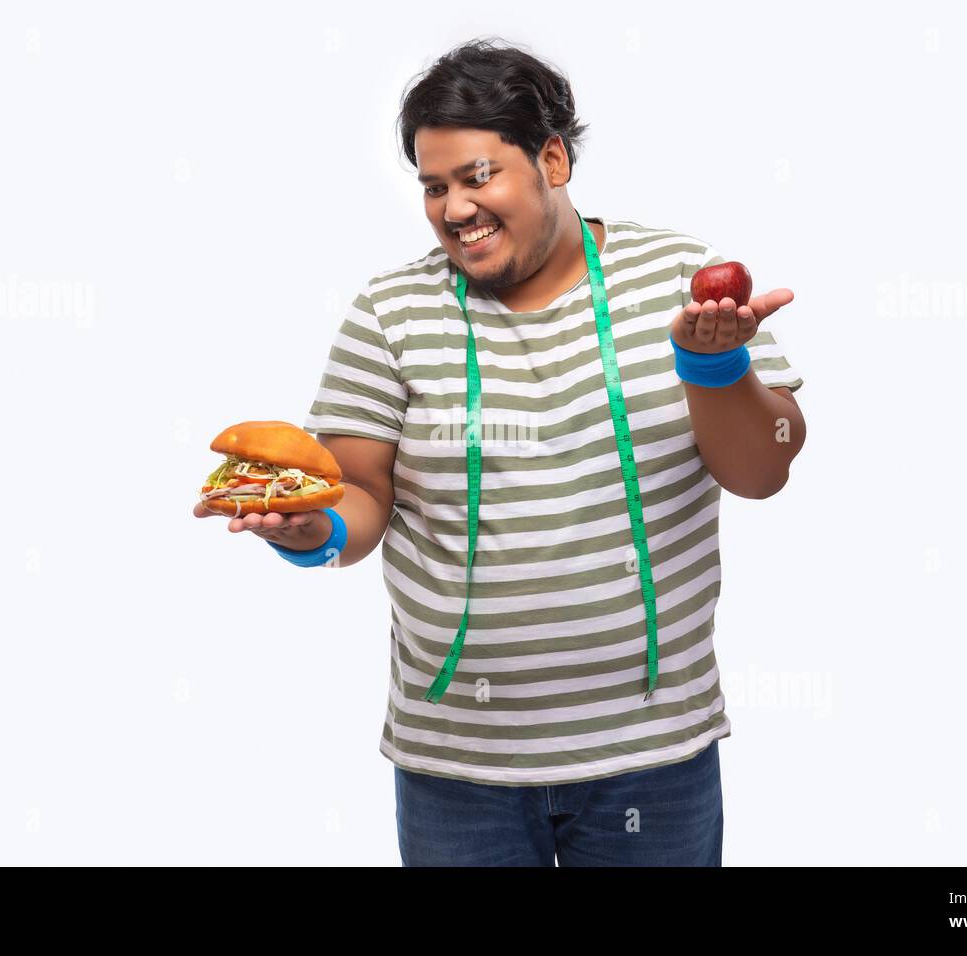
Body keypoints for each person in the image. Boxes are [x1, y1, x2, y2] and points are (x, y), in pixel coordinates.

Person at [195, 37, 807, 866]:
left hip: (654, 757)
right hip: (457, 768)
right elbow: (356, 491)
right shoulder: (390, 313)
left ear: (552, 159)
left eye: (478, 176)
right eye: (433, 186)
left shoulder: (677, 278)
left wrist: (712, 363)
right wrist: (318, 534)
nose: (453, 209)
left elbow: (763, 468)